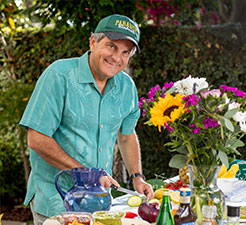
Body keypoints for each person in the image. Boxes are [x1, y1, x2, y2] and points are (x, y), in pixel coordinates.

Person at [19, 14, 154, 224]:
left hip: (101, 203)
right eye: (111, 46)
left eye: (125, 52)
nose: (117, 58)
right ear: (93, 42)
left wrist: (137, 176)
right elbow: (36, 139)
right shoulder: (59, 76)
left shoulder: (127, 87)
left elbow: (127, 136)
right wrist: (86, 174)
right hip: (58, 200)